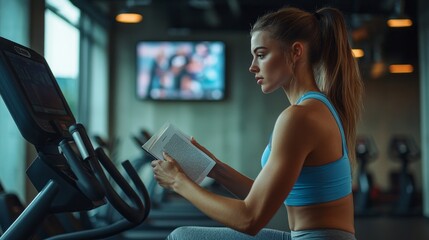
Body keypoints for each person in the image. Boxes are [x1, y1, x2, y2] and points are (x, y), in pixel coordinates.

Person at [151, 6, 363, 240]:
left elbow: (249, 218)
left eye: (261, 54)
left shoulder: (299, 117)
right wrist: (213, 167)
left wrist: (178, 181)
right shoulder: (315, 108)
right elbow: (264, 197)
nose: (252, 66)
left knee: (182, 237)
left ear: (295, 52)